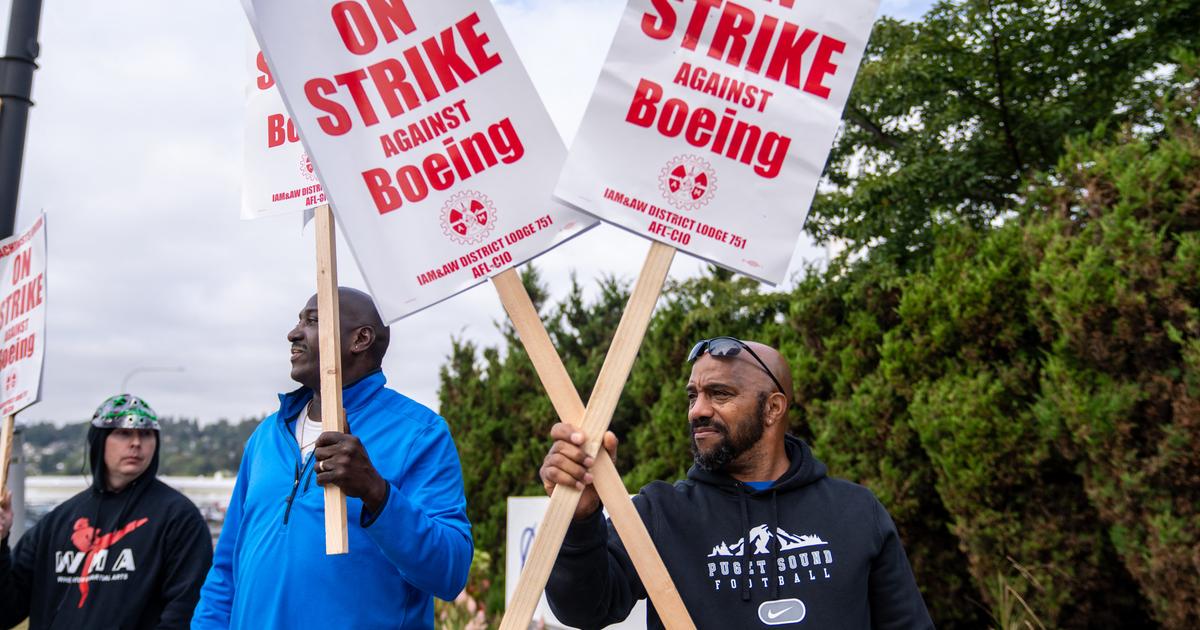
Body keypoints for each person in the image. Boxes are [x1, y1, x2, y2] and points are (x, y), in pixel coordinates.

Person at [541, 337, 933, 629]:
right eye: (692, 395)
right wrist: (579, 519)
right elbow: (582, 609)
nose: (698, 410)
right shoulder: (659, 514)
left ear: (773, 408)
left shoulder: (856, 511)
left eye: (720, 394)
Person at [192, 287, 472, 629]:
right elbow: (225, 570)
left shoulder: (420, 434)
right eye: (299, 320)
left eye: (312, 320)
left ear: (361, 339)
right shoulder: (266, 436)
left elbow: (450, 572)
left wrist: (377, 494)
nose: (293, 333)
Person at [0, 394, 213, 629]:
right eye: (123, 433)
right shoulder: (57, 522)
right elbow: (6, 611)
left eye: (145, 434)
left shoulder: (178, 518)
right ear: (100, 440)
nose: (135, 443)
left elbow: (185, 611)